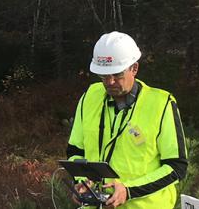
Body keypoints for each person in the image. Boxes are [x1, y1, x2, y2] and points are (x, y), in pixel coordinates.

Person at [66, 32, 187, 209]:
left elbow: (176, 167)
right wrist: (83, 182)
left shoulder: (161, 104)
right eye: (103, 76)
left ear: (134, 68)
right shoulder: (90, 96)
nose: (110, 82)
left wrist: (128, 191)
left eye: (117, 74)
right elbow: (75, 150)